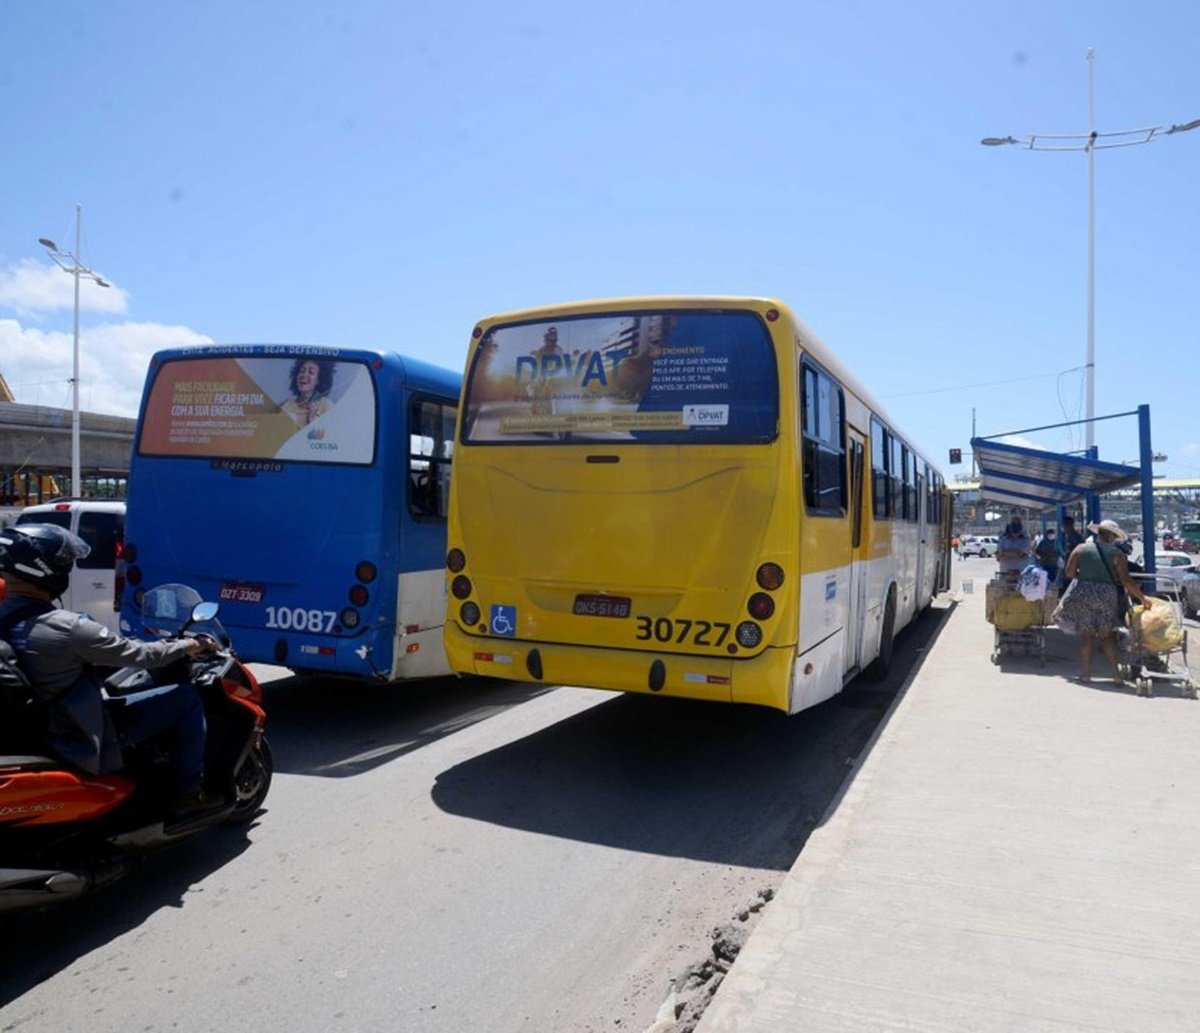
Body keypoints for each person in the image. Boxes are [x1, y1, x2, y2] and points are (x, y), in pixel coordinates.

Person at [0, 523, 219, 816]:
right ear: (46, 569)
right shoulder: (67, 627)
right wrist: (191, 645)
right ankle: (190, 793)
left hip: (31, 728)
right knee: (185, 699)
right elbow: (142, 655)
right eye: (65, 563)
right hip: (75, 735)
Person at [1054, 519, 1148, 684]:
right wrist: (1142, 598)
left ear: (1099, 533)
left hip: (1084, 594)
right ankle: (1116, 675)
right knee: (1107, 636)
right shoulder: (1117, 554)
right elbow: (1126, 581)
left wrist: (1084, 578)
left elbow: (1069, 572)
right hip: (1107, 595)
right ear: (1112, 536)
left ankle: (1086, 674)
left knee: (1087, 636)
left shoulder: (1081, 549)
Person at [282, 358, 335, 426]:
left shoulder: (326, 406)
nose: (304, 375)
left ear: (318, 380)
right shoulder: (287, 406)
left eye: (311, 372)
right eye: (302, 371)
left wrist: (312, 422)